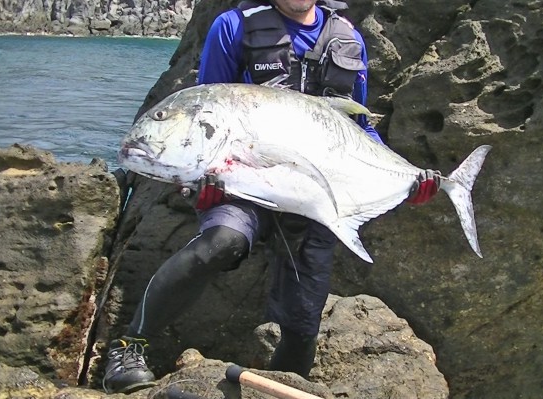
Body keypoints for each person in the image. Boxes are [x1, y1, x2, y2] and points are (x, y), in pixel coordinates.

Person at [102, 0, 440, 394]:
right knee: (219, 243)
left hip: (314, 195)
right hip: (242, 182)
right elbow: (207, 104)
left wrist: (409, 178)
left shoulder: (348, 37)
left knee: (301, 327)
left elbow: (359, 128)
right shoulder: (233, 27)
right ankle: (128, 349)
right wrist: (199, 180)